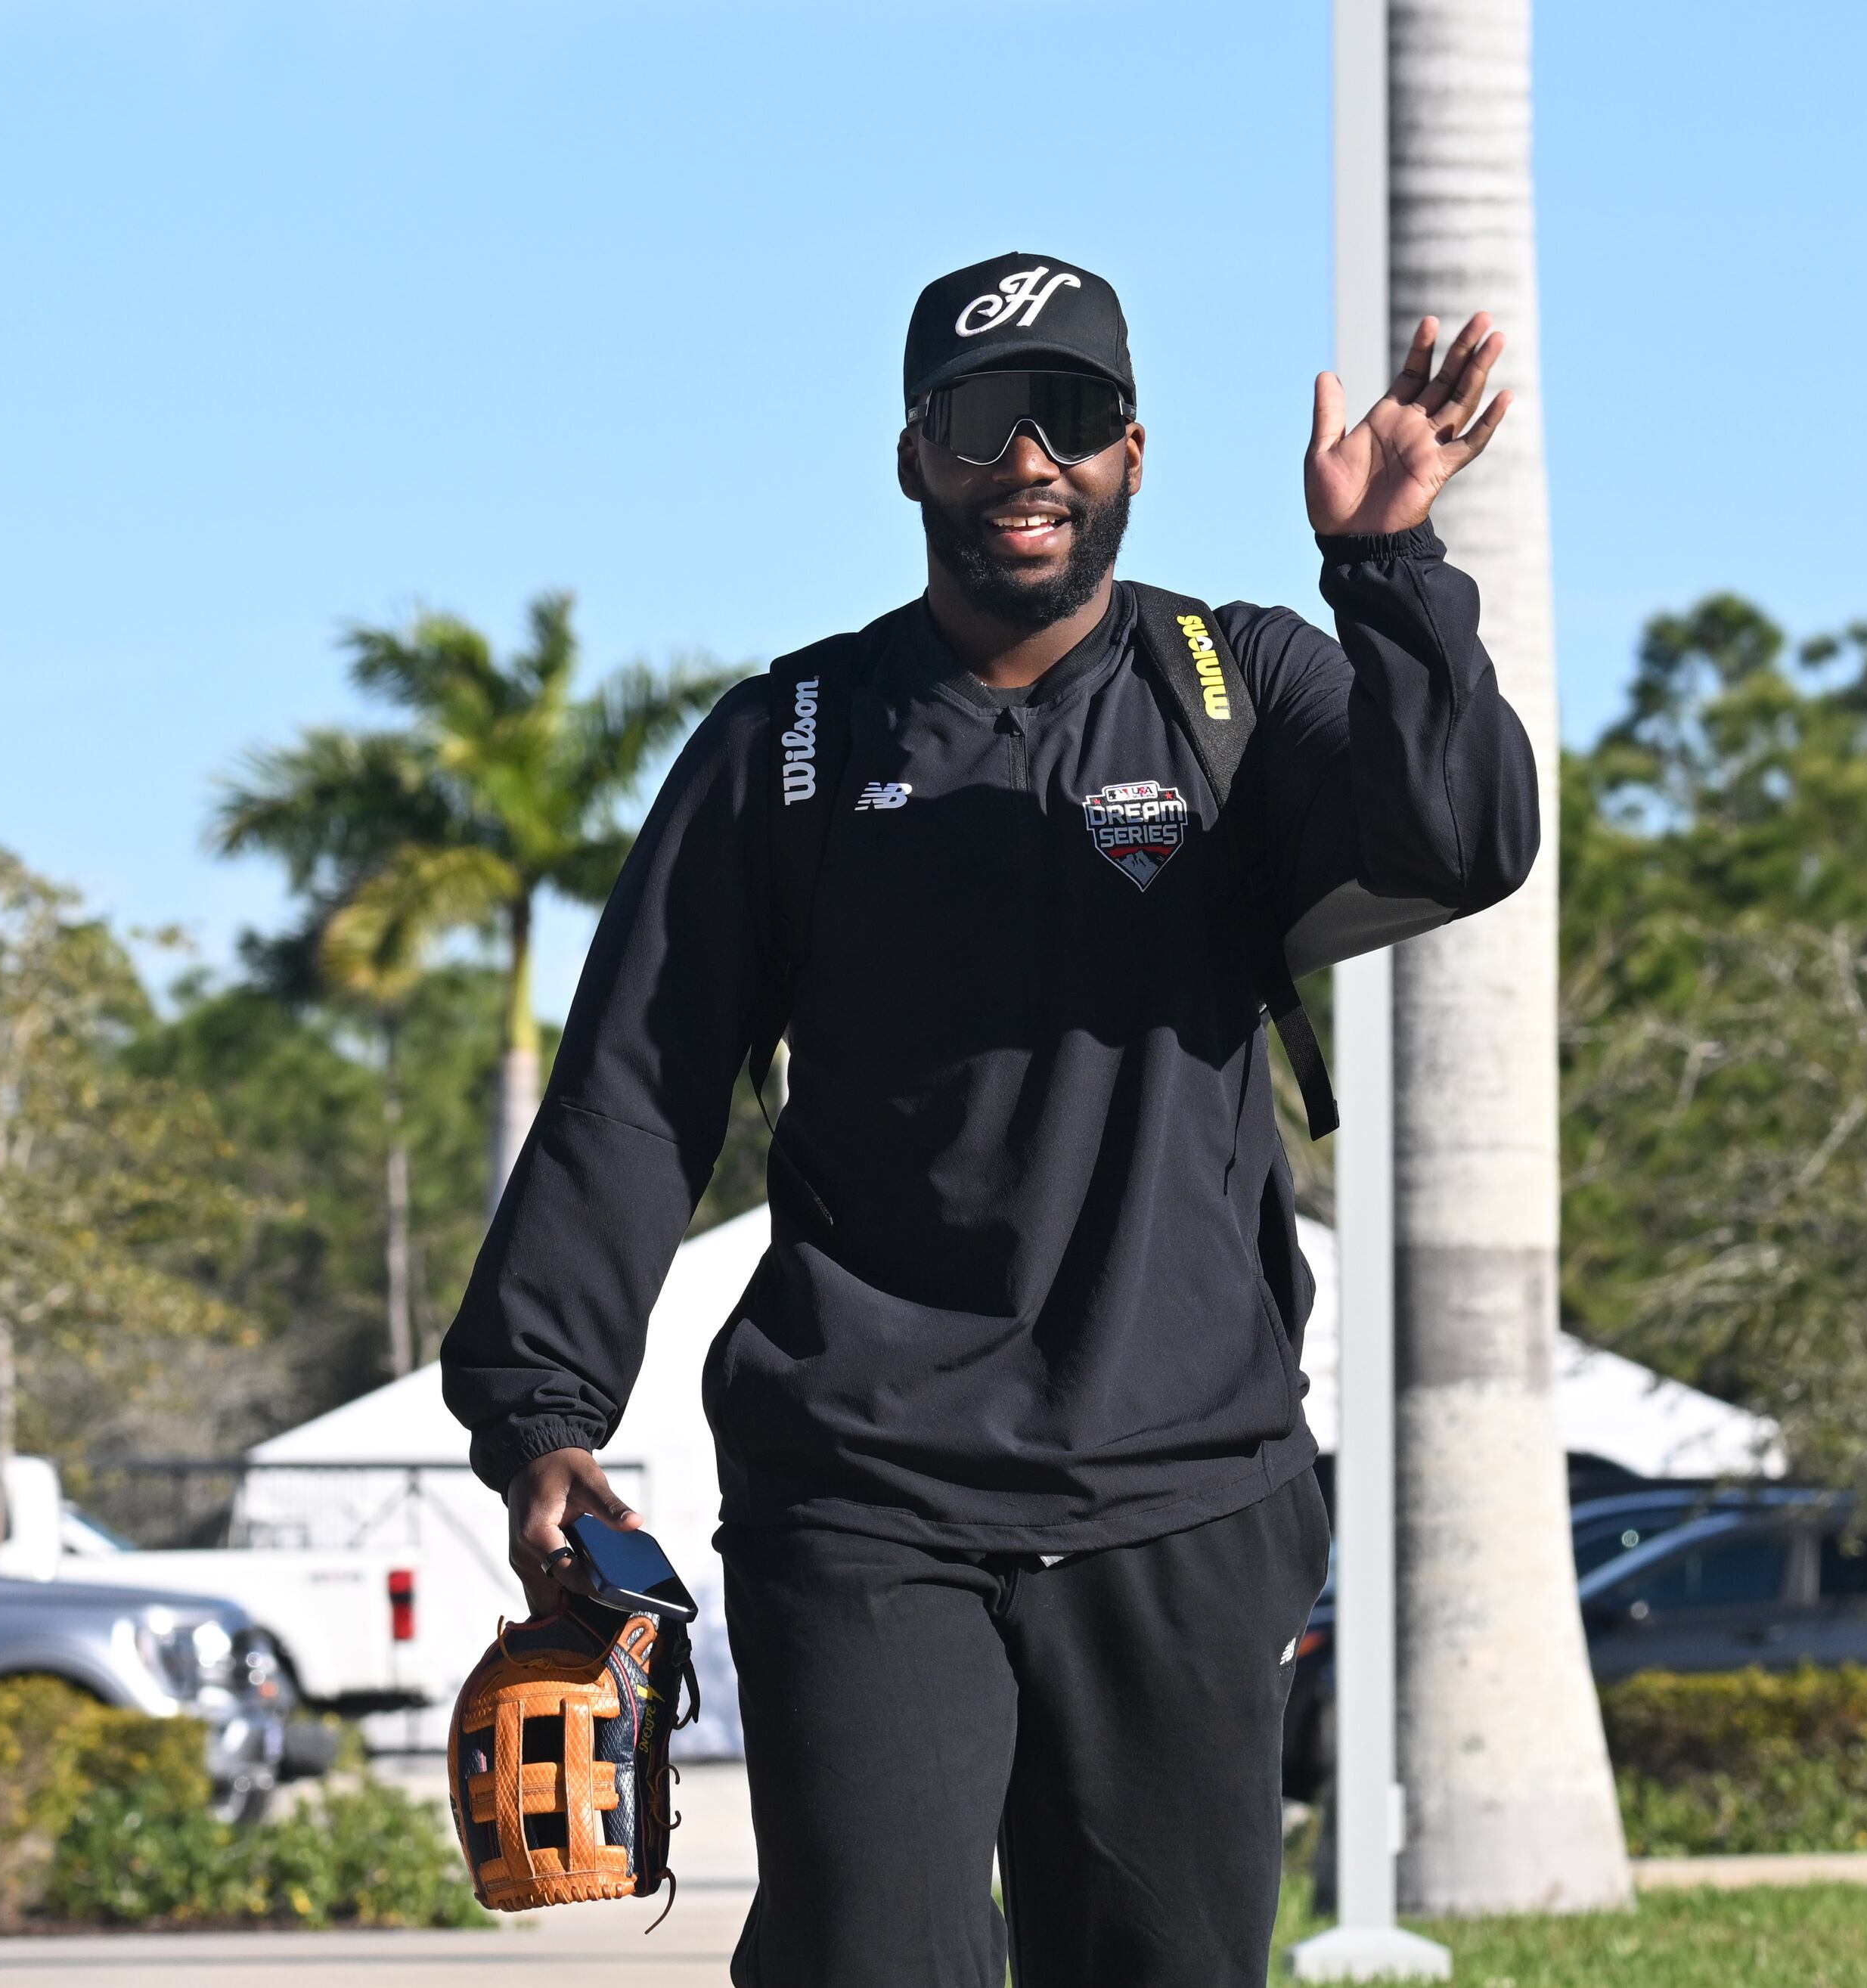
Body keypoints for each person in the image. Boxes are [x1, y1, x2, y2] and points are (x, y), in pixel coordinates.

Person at [441, 251, 1537, 1988]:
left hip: (1180, 1478)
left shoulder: (1234, 686)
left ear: (1134, 453)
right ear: (910, 460)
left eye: (1073, 417)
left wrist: (1389, 569)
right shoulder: (785, 744)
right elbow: (634, 1095)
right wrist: (542, 1415)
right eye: (977, 420)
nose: (1027, 458)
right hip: (864, 1487)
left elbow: (1458, 838)